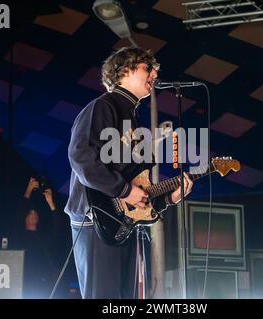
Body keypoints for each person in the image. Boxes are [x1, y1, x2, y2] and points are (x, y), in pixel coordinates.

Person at [65, 47, 194, 299]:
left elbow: (140, 189)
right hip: (97, 218)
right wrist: (124, 191)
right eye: (148, 67)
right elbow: (82, 157)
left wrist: (169, 198)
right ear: (124, 71)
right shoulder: (102, 106)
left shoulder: (132, 119)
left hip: (123, 222)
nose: (155, 73)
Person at [14, 176, 65, 298]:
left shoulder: (44, 236)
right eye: (30, 213)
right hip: (25, 282)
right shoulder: (20, 236)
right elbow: (19, 212)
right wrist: (29, 189)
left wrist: (51, 203)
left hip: (45, 283)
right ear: (25, 218)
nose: (34, 214)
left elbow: (58, 228)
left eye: (35, 212)